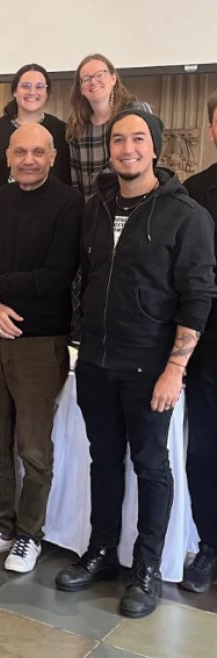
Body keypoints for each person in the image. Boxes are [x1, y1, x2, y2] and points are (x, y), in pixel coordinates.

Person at [55, 109, 216, 618]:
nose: (127, 148)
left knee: (150, 467)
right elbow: (83, 277)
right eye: (119, 139)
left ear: (155, 148)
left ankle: (146, 568)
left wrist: (175, 368)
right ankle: (102, 551)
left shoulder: (186, 215)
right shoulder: (95, 208)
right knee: (104, 461)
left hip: (151, 367)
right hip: (97, 363)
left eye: (138, 139)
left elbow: (198, 296)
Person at [0, 123, 83, 573]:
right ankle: (0, 526)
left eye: (38, 151)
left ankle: (30, 534)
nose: (28, 159)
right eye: (20, 152)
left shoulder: (69, 203)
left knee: (33, 446)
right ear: (8, 157)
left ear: (53, 156)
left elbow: (54, 276)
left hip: (40, 340)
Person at [178, 89, 217, 593]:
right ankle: (209, 545)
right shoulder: (195, 192)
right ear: (211, 129)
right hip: (209, 342)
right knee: (205, 448)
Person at [0, 63, 71, 210]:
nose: (32, 92)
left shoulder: (62, 131)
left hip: (49, 217)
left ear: (47, 94)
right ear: (15, 91)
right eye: (26, 86)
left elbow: (67, 178)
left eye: (39, 86)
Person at [67, 53, 150, 199]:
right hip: (96, 213)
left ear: (113, 78)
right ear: (81, 89)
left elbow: (153, 161)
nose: (93, 81)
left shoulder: (137, 112)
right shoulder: (77, 127)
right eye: (86, 78)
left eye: (100, 74)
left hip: (139, 206)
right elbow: (76, 184)